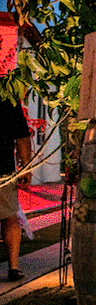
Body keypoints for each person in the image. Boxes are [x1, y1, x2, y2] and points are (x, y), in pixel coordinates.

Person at [1, 98, 32, 282]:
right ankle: (13, 267)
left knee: (10, 215)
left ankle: (13, 266)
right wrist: (26, 166)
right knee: (9, 215)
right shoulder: (7, 94)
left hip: (4, 168)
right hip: (3, 167)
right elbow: (21, 134)